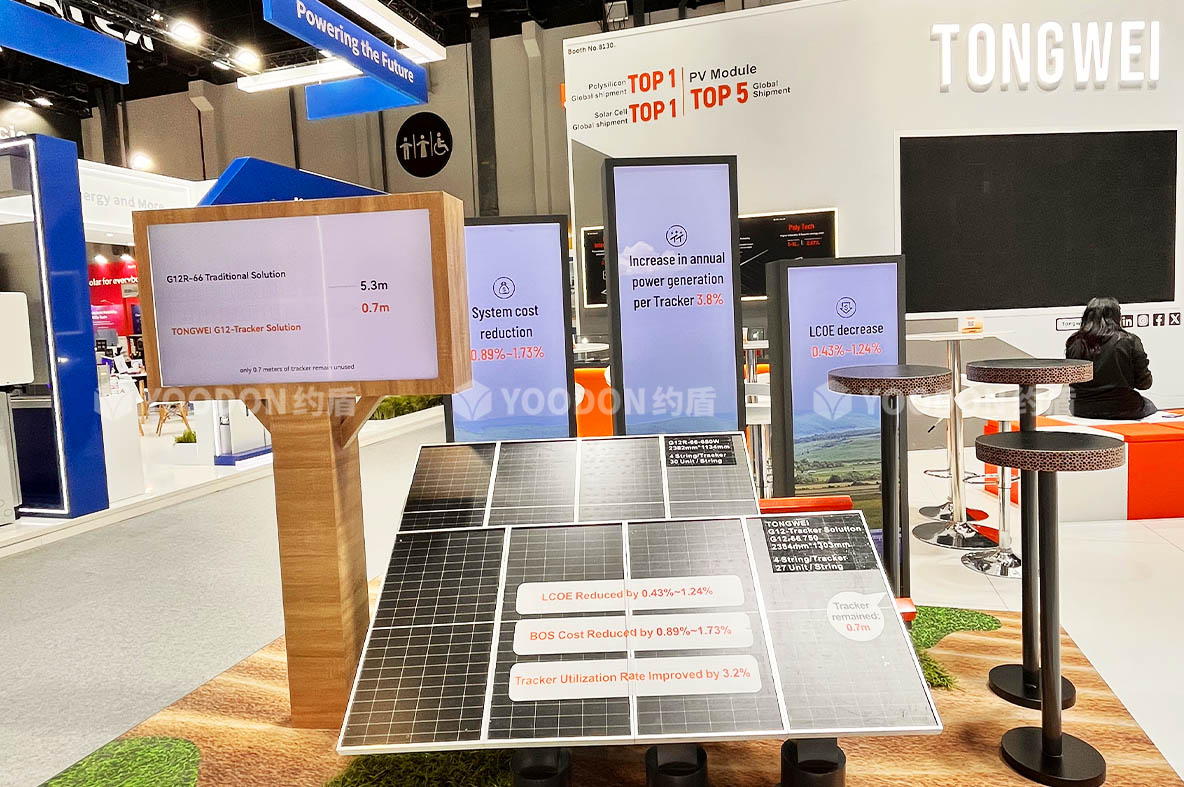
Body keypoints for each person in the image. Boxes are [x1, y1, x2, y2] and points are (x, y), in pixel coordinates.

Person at [1065, 297, 1156, 419]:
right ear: (1117, 316)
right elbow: (1144, 383)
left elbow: (1072, 380)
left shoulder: (1074, 342)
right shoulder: (1130, 341)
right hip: (1123, 407)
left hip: (1082, 409)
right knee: (1149, 405)